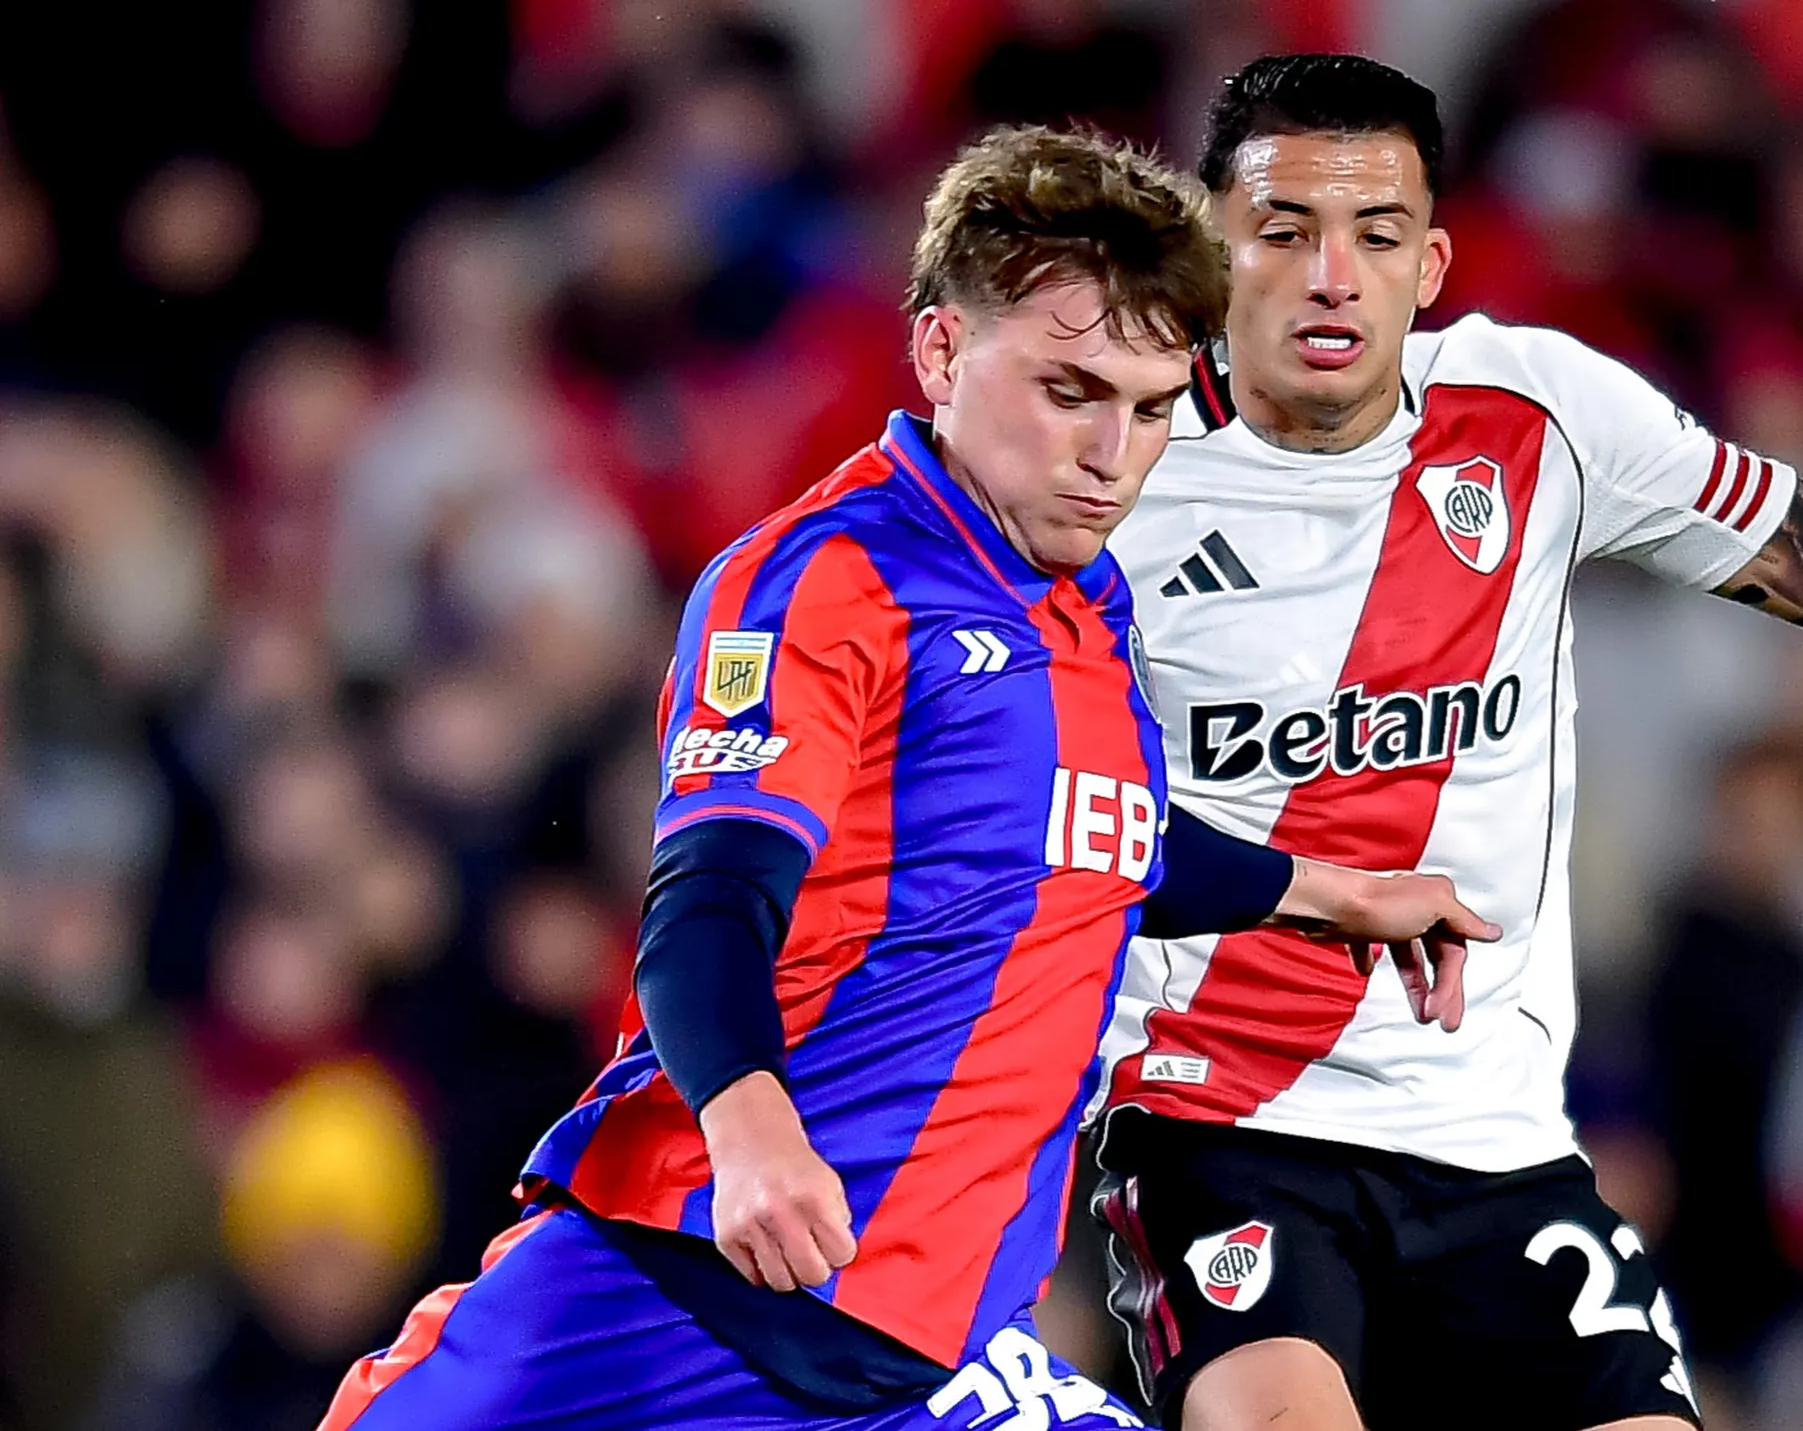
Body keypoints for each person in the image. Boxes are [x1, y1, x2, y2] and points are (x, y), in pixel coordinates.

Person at [319, 125, 1494, 1431]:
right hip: (693, 1297)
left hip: (927, 1358)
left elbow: (1107, 847)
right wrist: (752, 1130)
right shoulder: (827, 580)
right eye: (1068, 389)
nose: (1112, 453)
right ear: (939, 350)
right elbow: (708, 900)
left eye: (1151, 406)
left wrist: (1333, 893)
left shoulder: (1089, 614)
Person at [1090, 54, 1803, 1431]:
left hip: (1492, 1145)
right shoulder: (1111, 468)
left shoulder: (1538, 414)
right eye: (1284, 230)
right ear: (1210, 246)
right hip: (1219, 1129)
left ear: (1433, 261)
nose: (1331, 275)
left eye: (1376, 234)